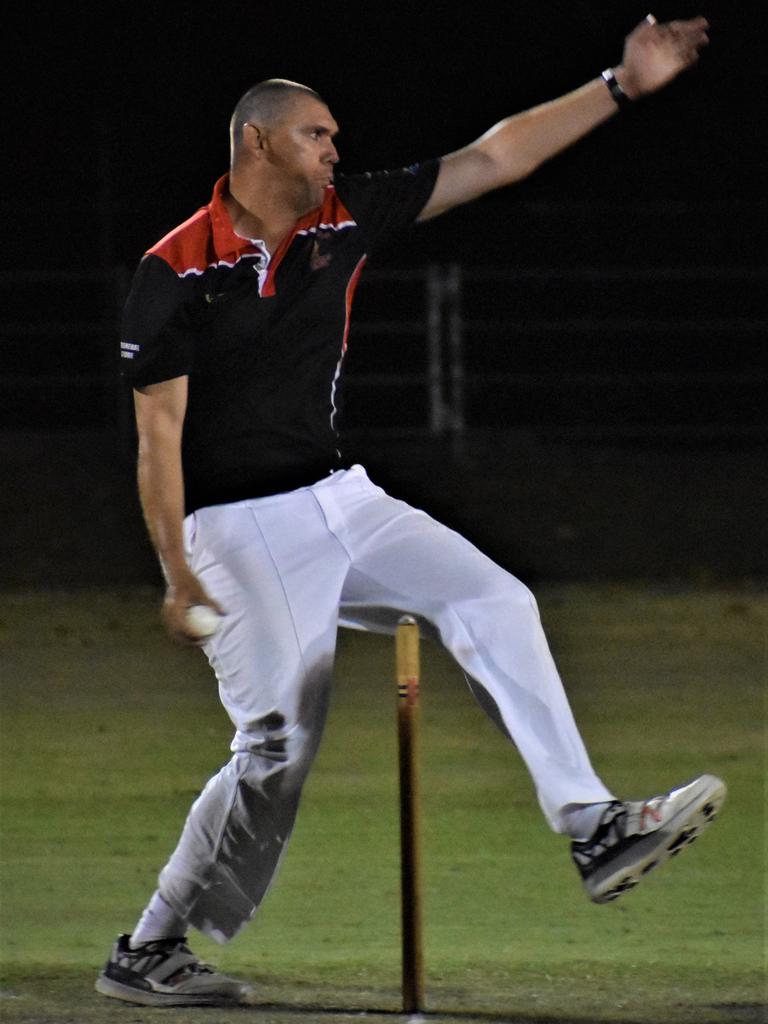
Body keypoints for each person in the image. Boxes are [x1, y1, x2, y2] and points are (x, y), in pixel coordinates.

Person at [97, 13, 725, 1008]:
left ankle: (593, 823)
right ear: (258, 141)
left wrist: (618, 84)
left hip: (344, 499)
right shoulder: (172, 269)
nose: (336, 147)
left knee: (496, 600)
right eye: (318, 133)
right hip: (237, 528)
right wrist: (176, 573)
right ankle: (149, 944)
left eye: (336, 137)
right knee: (273, 751)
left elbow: (494, 157)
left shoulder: (346, 216)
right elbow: (157, 439)